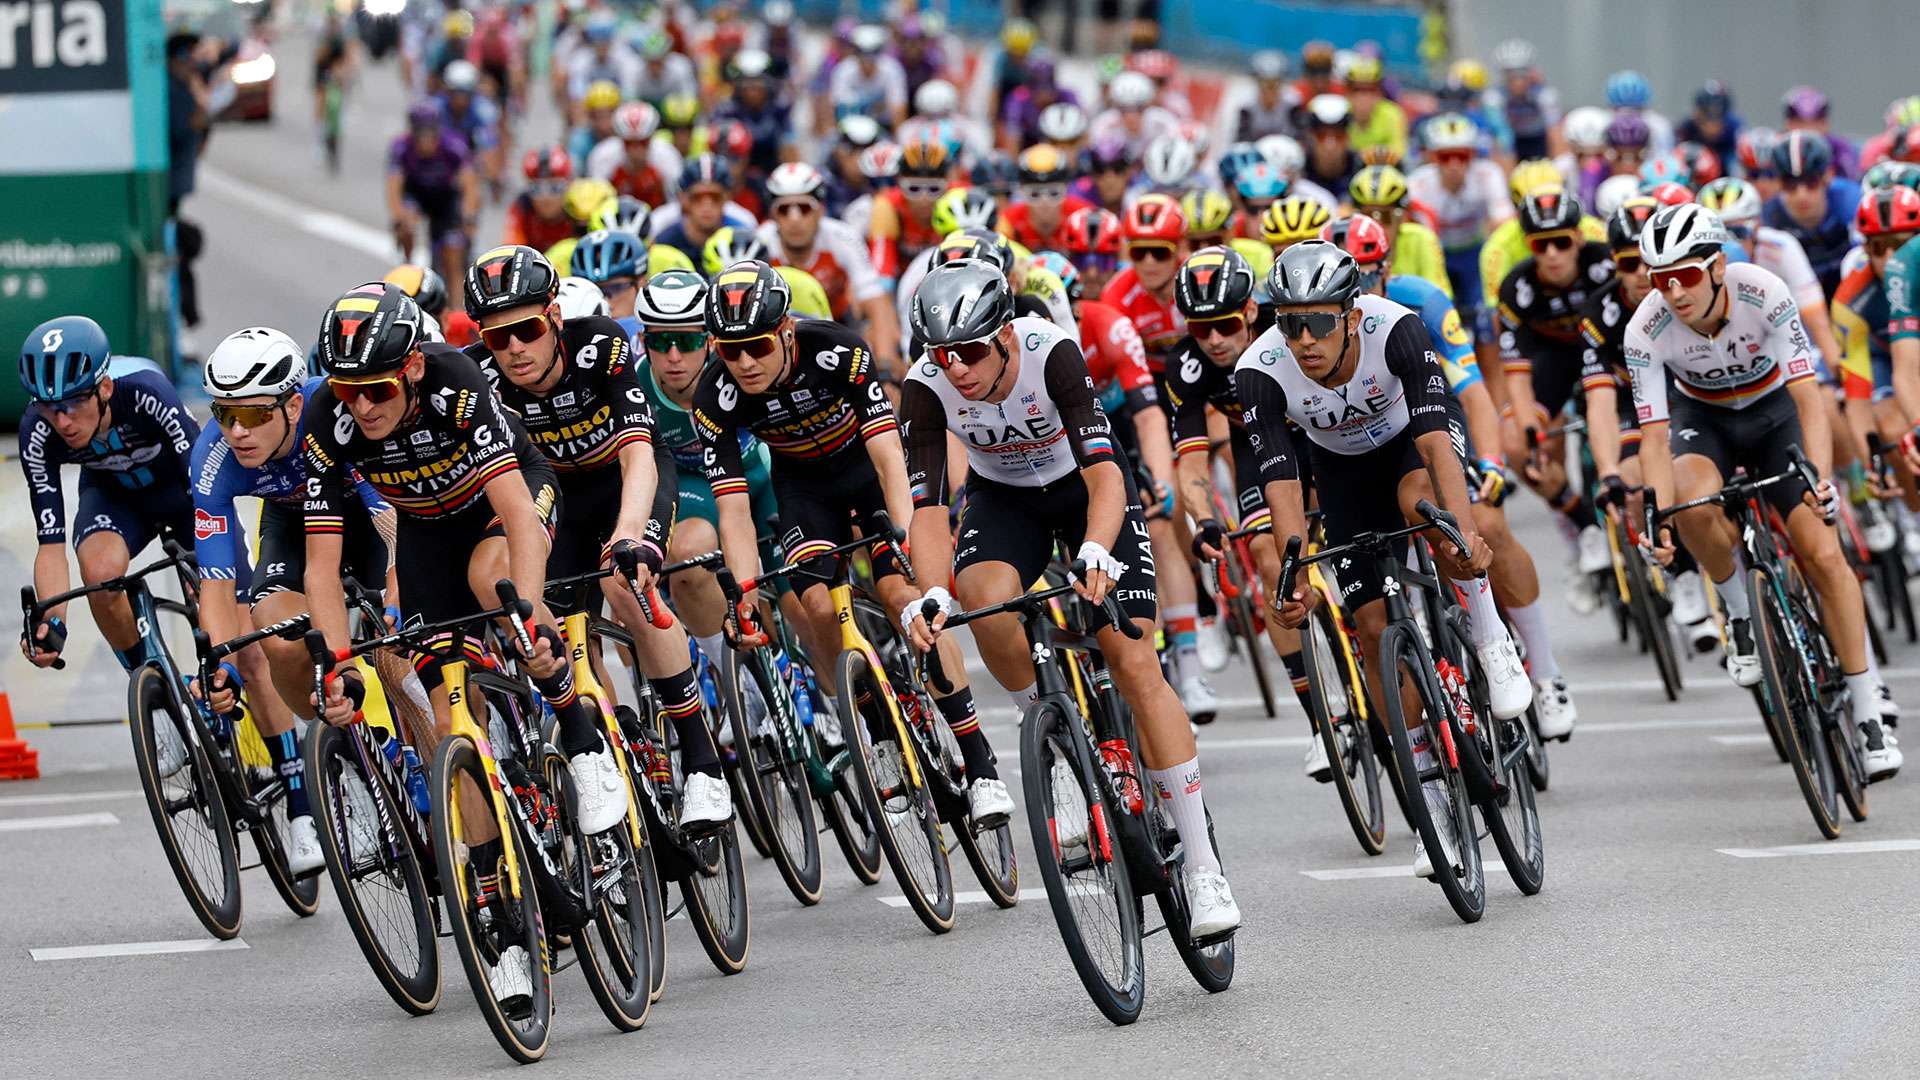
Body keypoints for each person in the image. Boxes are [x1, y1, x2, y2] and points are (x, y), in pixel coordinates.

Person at [303, 279, 627, 1014]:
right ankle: (501, 924)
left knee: (496, 586)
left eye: (378, 390)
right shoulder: (328, 420)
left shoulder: (455, 384)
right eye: (348, 392)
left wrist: (532, 616)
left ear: (413, 368)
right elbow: (321, 567)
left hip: (504, 506)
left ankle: (580, 736)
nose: (363, 407)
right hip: (425, 535)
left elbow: (517, 512)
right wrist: (338, 666)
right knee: (455, 722)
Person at [901, 260, 1242, 938]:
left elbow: (1106, 473)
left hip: (1087, 490)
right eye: (942, 355)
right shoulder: (924, 386)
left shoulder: (1049, 351)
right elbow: (930, 510)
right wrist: (931, 590)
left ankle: (1203, 866)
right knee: (982, 598)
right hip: (1006, 500)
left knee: (1131, 657)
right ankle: (1056, 742)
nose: (956, 368)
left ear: (1004, 335)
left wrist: (1096, 548)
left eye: (970, 352)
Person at [1238, 242, 1534, 877]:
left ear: (1350, 316)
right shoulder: (1259, 370)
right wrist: (1294, 575)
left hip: (1411, 445)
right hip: (1340, 469)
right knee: (1371, 628)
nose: (1304, 339)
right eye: (1289, 323)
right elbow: (1283, 483)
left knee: (1427, 511)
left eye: (1318, 322)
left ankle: (1490, 639)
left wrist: (1463, 534)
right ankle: (1430, 799)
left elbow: (1434, 443)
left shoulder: (1396, 328)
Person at [692, 261, 1011, 825]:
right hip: (804, 489)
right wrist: (743, 591)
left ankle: (980, 763)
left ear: (786, 330)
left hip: (868, 470)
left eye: (757, 346)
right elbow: (734, 509)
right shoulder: (714, 396)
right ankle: (879, 730)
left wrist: (906, 540)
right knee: (815, 605)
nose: (744, 363)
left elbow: (889, 458)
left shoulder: (836, 350)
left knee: (901, 596)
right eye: (729, 350)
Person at [1624, 204, 1898, 779]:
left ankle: (1869, 708)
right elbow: (1653, 437)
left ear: (1718, 267)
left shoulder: (1765, 291)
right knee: (1690, 502)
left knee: (1822, 552)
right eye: (1660, 279)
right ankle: (1739, 611)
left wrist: (1819, 478)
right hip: (1705, 421)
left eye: (1686, 276)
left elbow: (1809, 399)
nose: (1674, 292)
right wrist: (1657, 517)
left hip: (1777, 414)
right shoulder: (1644, 328)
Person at [462, 246, 731, 829]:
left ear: (555, 318)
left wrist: (632, 536)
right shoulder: (476, 377)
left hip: (624, 479)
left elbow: (638, 453)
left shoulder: (598, 345)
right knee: (557, 625)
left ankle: (703, 765)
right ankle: (609, 741)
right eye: (497, 337)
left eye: (528, 330)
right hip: (555, 495)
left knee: (624, 582)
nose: (514, 348)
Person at [1326, 215, 1577, 735]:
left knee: (1488, 523)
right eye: (1350, 279)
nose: (1362, 289)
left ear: (1386, 269)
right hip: (1363, 443)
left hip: (1433, 416)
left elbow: (1473, 391)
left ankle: (1544, 672)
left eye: (1368, 275)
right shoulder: (1320, 327)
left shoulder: (1422, 302)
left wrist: (1492, 464)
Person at [192, 328, 398, 874]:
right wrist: (219, 663)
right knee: (276, 633)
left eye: (254, 414)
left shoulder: (334, 413)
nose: (237, 430)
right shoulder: (213, 456)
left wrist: (397, 587)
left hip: (368, 516)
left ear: (292, 404)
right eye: (224, 413)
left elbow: (390, 521)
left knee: (399, 641)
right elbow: (217, 582)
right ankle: (347, 752)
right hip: (294, 523)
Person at [18, 316, 200, 683]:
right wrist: (52, 622)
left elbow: (204, 490)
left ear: (103, 388)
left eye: (73, 403)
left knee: (238, 632)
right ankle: (152, 682)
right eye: (48, 407)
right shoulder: (37, 431)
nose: (61, 421)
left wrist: (210, 569)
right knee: (100, 576)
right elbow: (50, 545)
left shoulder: (146, 392)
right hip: (114, 497)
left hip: (183, 493)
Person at [1579, 198, 1718, 655]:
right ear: (1612, 264)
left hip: (1688, 391)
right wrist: (1607, 473)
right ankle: (1683, 575)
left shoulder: (1685, 297)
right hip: (1630, 400)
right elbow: (1599, 401)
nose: (1641, 274)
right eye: (1627, 263)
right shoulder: (1599, 314)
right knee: (1636, 480)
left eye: (1647, 263)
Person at [1496, 189, 1619, 610]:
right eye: (1540, 245)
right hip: (1555, 361)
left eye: (1561, 242)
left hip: (1610, 353)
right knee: (1515, 443)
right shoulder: (1517, 287)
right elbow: (1516, 374)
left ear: (1579, 239)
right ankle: (1586, 526)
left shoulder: (1608, 265)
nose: (1552, 254)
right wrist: (1531, 432)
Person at [757, 162, 900, 356]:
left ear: (820, 210)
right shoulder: (760, 242)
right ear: (773, 214)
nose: (795, 219)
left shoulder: (844, 238)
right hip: (777, 331)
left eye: (804, 208)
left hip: (839, 323)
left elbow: (875, 301)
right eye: (784, 209)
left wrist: (885, 364)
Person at [1409, 114, 1513, 323]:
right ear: (1432, 157)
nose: (1454, 164)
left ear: (1473, 155)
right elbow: (1418, 235)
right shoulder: (1417, 183)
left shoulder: (1488, 175)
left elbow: (1504, 223)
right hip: (1437, 252)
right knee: (1436, 313)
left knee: (1485, 311)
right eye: (1445, 157)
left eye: (1462, 156)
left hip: (1474, 253)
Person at [1762, 130, 1864, 299]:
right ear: (1778, 183)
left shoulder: (1852, 202)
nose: (1801, 195)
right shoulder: (1768, 218)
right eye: (1790, 184)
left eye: (1811, 182)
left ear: (1828, 177)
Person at [166, 33, 208, 350]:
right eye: (186, 56)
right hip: (165, 189)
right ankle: (180, 322)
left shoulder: (183, 87)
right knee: (178, 248)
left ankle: (182, 321)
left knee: (181, 247)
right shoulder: (172, 92)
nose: (191, 63)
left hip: (174, 187)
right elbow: (185, 129)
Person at [1487, 39, 1558, 161]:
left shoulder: (1544, 94)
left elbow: (1554, 131)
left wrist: (1556, 164)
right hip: (1512, 138)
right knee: (1499, 143)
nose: (1517, 81)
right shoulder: (1494, 96)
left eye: (1522, 74)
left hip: (1539, 138)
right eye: (1511, 76)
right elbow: (1500, 132)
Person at [1300, 95, 1363, 196]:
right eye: (1321, 135)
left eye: (1338, 136)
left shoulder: (1361, 168)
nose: (1330, 145)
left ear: (1348, 137)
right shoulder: (1300, 170)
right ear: (1311, 136)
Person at [1236, 50, 1297, 142]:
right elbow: (1240, 140)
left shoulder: (1292, 103)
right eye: (1265, 84)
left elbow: (1300, 136)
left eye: (1274, 84)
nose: (1269, 90)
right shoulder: (1247, 105)